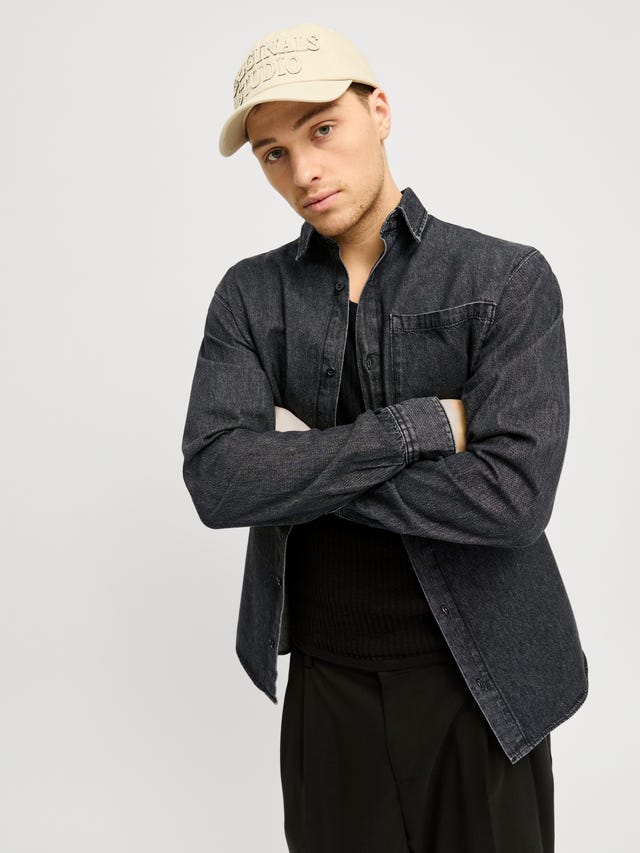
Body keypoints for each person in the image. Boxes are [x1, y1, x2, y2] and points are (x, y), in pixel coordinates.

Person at [181, 21, 589, 853]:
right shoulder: (250, 298)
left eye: (322, 129)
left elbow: (513, 498)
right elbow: (220, 480)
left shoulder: (505, 280)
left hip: (483, 689)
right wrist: (422, 427)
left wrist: (297, 461)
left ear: (380, 112)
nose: (303, 171)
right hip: (327, 688)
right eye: (273, 153)